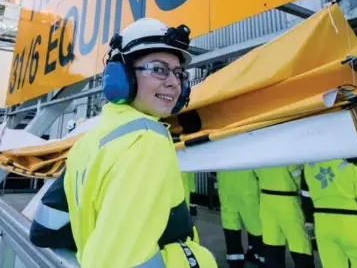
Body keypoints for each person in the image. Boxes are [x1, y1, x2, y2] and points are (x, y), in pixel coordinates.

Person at [30, 18, 216, 268]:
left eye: (178, 73)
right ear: (122, 76)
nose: (174, 82)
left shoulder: (93, 139)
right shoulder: (147, 141)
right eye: (159, 69)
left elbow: (45, 229)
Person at [301, 159, 357, 268]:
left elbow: (306, 199)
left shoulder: (308, 169)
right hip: (351, 224)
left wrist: (309, 221)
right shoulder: (349, 167)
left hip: (323, 225)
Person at [254, 165, 314, 268]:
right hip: (288, 201)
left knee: (272, 245)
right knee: (299, 245)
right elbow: (301, 180)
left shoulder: (260, 154)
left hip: (266, 202)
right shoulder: (287, 153)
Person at [217, 169, 264, 267]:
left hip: (226, 187)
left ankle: (235, 260)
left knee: (230, 224)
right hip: (248, 189)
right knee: (256, 225)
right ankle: (260, 256)